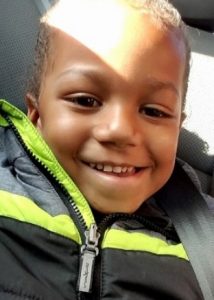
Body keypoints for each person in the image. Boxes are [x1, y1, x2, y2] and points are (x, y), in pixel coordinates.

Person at [0, 0, 210, 299]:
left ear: (177, 127)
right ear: (36, 114)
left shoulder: (203, 230)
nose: (120, 131)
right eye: (85, 101)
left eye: (154, 111)